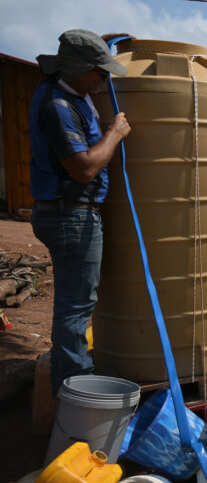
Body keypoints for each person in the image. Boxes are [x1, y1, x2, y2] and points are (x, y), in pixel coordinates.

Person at [29, 29, 131, 397]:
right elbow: (84, 168)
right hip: (71, 216)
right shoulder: (59, 107)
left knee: (74, 304)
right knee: (75, 310)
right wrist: (115, 133)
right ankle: (76, 392)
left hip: (62, 213)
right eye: (101, 72)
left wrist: (101, 45)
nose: (105, 80)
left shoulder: (65, 89)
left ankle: (70, 381)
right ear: (80, 70)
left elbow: (81, 63)